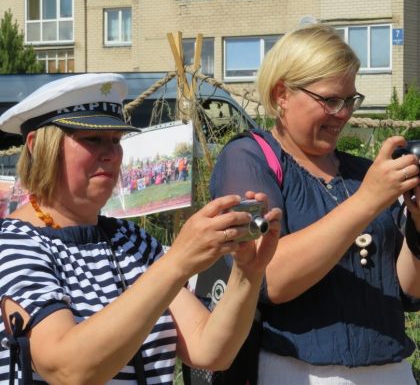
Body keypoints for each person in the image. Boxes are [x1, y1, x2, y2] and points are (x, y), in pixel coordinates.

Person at [0, 73, 282, 384]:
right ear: (37, 146)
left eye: (116, 140)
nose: (111, 154)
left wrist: (248, 273)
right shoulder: (14, 243)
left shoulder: (131, 240)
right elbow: (67, 369)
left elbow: (210, 349)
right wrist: (177, 263)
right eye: (92, 139)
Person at [210, 23, 420, 384]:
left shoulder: (362, 173)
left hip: (392, 372)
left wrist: (417, 219)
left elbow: (407, 291)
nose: (343, 114)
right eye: (331, 100)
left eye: (350, 100)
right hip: (295, 372)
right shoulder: (246, 160)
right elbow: (267, 277)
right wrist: (367, 201)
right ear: (281, 94)